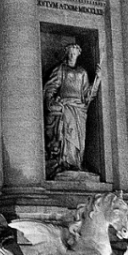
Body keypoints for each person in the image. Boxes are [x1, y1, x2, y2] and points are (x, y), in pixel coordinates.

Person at [43, 42, 101, 177]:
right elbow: (51, 88)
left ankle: (76, 162)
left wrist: (97, 79)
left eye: (74, 53)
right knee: (67, 133)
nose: (72, 55)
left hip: (79, 108)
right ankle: (64, 162)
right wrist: (51, 101)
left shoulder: (82, 73)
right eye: (70, 52)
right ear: (67, 53)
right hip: (65, 106)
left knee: (78, 138)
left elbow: (88, 94)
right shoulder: (60, 70)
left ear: (78, 55)